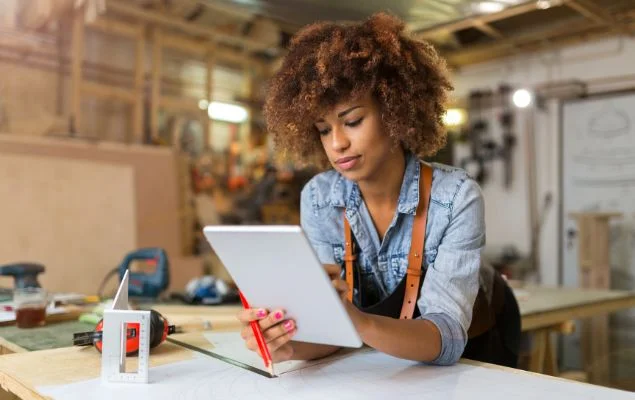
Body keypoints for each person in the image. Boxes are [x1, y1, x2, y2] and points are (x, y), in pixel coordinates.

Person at [236, 12, 521, 368]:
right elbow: (333, 334)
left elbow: (447, 340)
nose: (337, 143)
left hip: (480, 340)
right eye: (323, 129)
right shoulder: (320, 198)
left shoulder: (455, 198)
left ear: (395, 112)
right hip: (389, 351)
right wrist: (287, 344)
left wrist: (356, 321)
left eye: (352, 121)